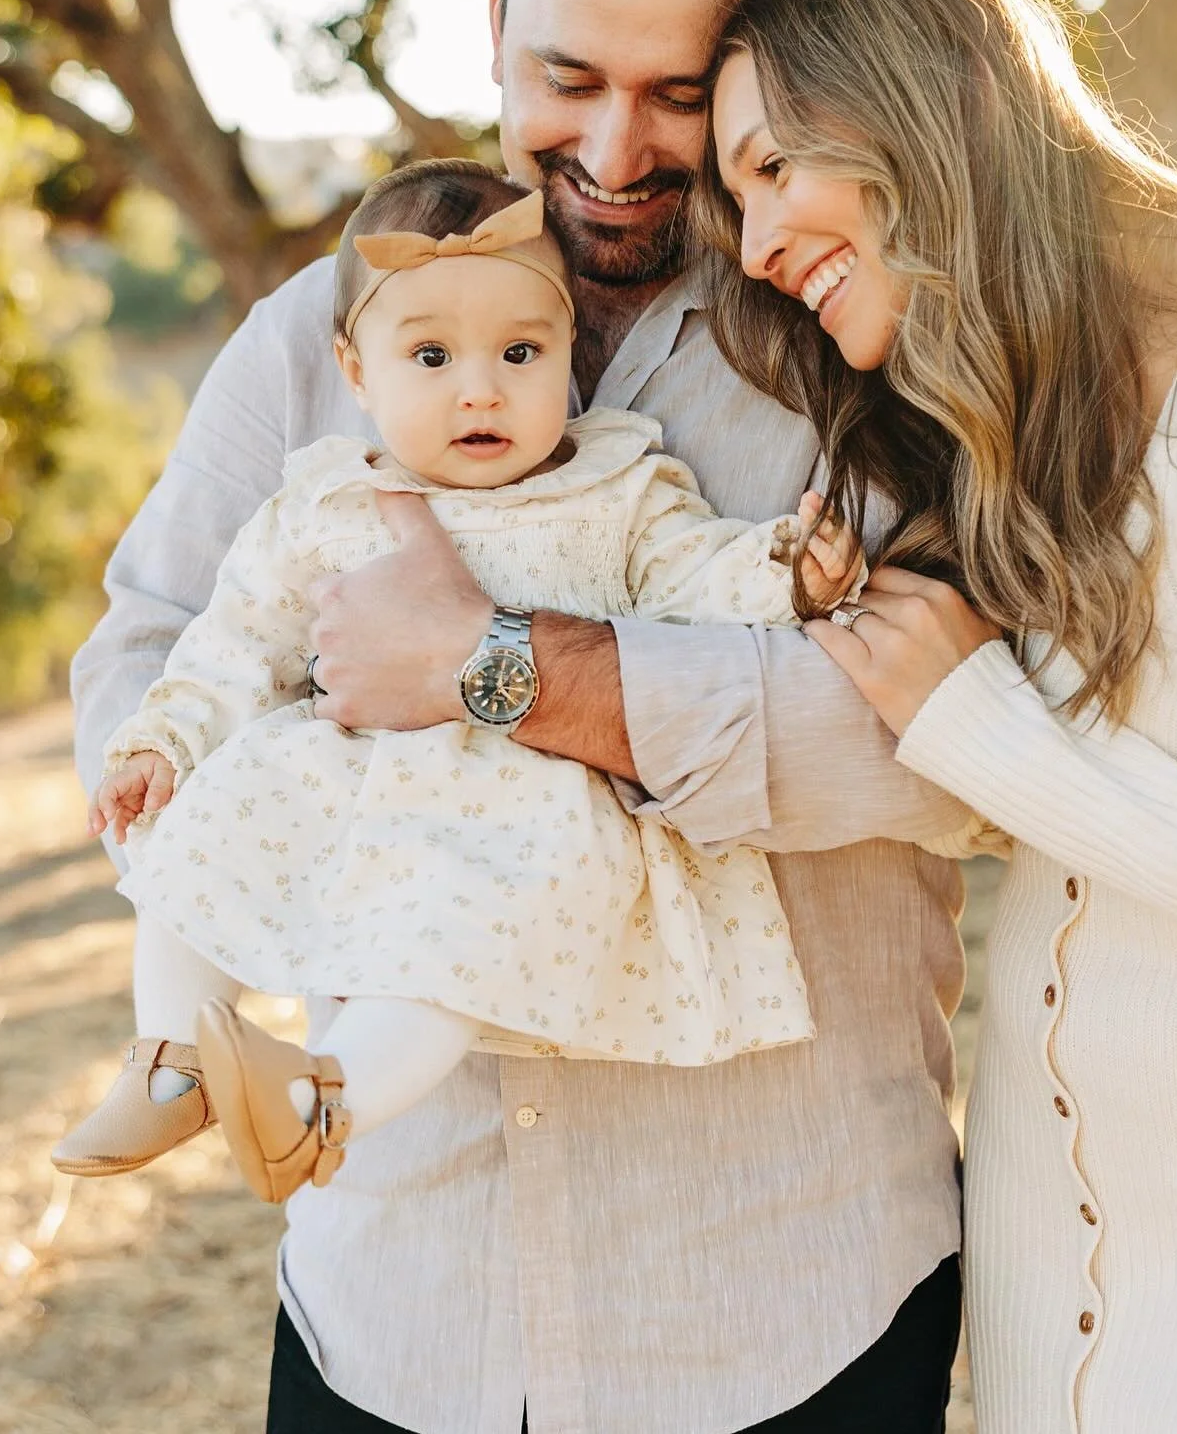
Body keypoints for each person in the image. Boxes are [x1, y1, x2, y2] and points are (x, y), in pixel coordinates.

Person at [73, 0, 972, 1433]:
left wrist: (496, 675)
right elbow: (146, 641)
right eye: (568, 79)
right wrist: (290, 758)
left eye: (681, 95)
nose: (618, 153)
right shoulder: (309, 340)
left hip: (782, 1309)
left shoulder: (861, 341)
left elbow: (941, 760)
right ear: (494, 24)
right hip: (394, 1306)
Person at [698, 0, 1177, 1434]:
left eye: (769, 171)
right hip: (1072, 1307)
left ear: (914, 107)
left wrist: (986, 734)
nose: (752, 245)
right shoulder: (1061, 413)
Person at [57, 160, 859, 1203]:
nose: (479, 388)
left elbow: (693, 575)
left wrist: (785, 568)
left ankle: (323, 1102)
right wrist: (160, 743)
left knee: (445, 945)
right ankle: (169, 1060)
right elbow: (234, 643)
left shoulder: (615, 486)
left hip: (516, 810)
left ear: (569, 351)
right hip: (346, 782)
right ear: (356, 371)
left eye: (520, 352)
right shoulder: (327, 504)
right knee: (193, 825)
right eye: (430, 355)